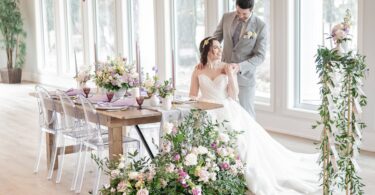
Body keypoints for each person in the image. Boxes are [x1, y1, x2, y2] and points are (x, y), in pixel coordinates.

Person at [190, 37, 320, 195]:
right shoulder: (198, 69)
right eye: (215, 48)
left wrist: (230, 75)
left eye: (219, 47)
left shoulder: (226, 67)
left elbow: (233, 95)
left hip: (225, 107)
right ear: (206, 51)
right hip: (205, 110)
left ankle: (233, 172)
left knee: (239, 142)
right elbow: (192, 95)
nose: (219, 50)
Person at [213, 0, 267, 118]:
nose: (241, 16)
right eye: (238, 12)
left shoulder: (260, 26)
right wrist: (207, 60)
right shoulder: (226, 17)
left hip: (245, 77)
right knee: (224, 113)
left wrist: (240, 66)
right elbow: (215, 40)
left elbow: (260, 56)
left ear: (252, 10)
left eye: (245, 14)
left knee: (246, 115)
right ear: (236, 6)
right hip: (223, 75)